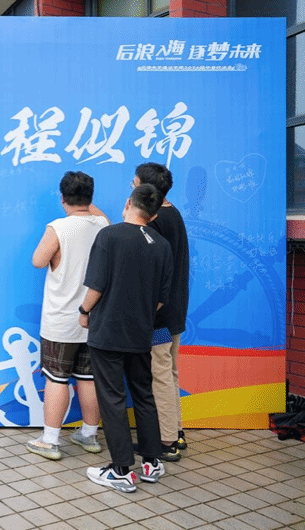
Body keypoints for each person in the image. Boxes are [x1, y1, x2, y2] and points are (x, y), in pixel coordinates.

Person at [79, 184, 173, 493]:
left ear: (127, 203)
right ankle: (151, 462)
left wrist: (84, 311)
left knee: (112, 398)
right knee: (143, 394)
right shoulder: (162, 245)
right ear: (154, 215)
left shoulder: (109, 236)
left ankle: (120, 469)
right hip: (141, 332)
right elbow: (161, 299)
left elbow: (96, 285)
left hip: (107, 331)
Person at [27, 171, 109, 461]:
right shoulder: (103, 225)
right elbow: (98, 215)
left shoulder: (58, 227)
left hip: (61, 320)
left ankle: (50, 440)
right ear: (90, 197)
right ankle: (89, 434)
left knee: (57, 378)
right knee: (88, 378)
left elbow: (38, 261)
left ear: (62, 198)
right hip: (94, 318)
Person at [134, 163, 190, 460]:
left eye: (134, 183)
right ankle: (175, 431)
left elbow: (151, 273)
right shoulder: (173, 213)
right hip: (174, 311)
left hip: (160, 315)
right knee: (169, 371)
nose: (131, 187)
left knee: (160, 374)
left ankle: (166, 441)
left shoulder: (155, 222)